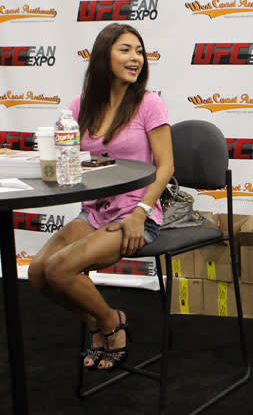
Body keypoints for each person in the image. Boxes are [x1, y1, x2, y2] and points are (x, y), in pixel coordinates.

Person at [27, 23, 174, 371]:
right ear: (103, 55)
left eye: (139, 50)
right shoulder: (81, 106)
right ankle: (99, 319)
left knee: (60, 269)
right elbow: (70, 157)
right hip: (94, 211)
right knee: (37, 273)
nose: (135, 57)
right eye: (125, 49)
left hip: (136, 215)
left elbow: (166, 167)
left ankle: (111, 324)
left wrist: (140, 212)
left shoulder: (149, 104)